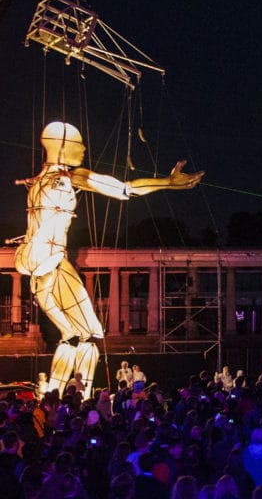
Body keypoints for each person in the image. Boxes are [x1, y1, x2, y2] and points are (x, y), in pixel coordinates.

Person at [13, 121, 203, 400]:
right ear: (63, 147)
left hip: (38, 269)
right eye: (79, 145)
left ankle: (53, 396)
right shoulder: (68, 176)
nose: (85, 149)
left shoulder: (38, 182)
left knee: (72, 335)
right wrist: (167, 183)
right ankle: (84, 397)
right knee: (88, 336)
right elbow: (125, 189)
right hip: (52, 262)